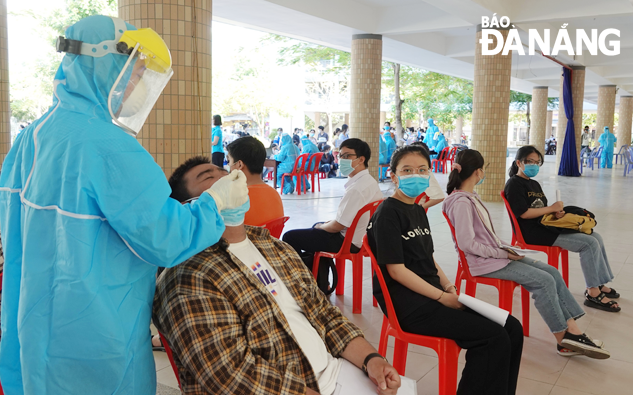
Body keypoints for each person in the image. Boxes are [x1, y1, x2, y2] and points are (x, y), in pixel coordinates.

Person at [0, 16, 248, 395]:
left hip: (33, 334)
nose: (135, 85)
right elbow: (165, 238)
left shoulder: (30, 137)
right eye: (134, 71)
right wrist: (216, 204)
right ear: (105, 63)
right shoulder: (109, 146)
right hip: (95, 343)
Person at [153, 183, 401, 395]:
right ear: (189, 206)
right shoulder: (188, 276)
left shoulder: (273, 246)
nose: (230, 182)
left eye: (228, 175)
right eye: (213, 182)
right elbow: (230, 373)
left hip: (339, 373)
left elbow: (324, 313)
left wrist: (372, 360)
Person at [368, 145, 524, 395]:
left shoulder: (418, 210)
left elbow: (429, 260)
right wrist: (442, 297)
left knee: (512, 328)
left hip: (434, 295)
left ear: (430, 174)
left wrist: (450, 288)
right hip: (410, 305)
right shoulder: (387, 213)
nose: (414, 175)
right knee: (492, 337)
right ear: (394, 175)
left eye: (421, 169)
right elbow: (396, 271)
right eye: (406, 170)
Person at [444, 149, 609, 358]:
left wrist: (508, 248)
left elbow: (488, 236)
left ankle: (574, 332)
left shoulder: (470, 197)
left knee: (552, 272)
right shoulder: (461, 202)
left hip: (494, 257)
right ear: (478, 172)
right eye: (483, 169)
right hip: (484, 263)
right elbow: (467, 244)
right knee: (543, 281)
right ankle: (562, 340)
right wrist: (503, 254)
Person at [504, 146, 620, 313]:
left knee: (596, 237)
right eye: (530, 162)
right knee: (588, 244)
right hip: (532, 233)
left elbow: (542, 209)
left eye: (537, 162)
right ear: (519, 163)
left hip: (546, 225)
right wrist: (551, 208)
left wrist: (556, 213)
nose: (534, 165)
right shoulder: (514, 184)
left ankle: (599, 283)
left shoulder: (534, 184)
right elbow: (523, 214)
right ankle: (593, 293)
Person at [283, 138, 383, 280]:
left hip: (347, 241)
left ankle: (304, 282)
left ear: (361, 159)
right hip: (360, 237)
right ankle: (320, 281)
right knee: (315, 231)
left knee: (290, 237)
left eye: (347, 156)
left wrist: (322, 226)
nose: (342, 160)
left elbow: (338, 225)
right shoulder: (369, 181)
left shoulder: (357, 189)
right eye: (340, 156)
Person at [227, 136, 285, 226]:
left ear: (239, 165)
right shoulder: (274, 194)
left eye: (229, 161)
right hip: (270, 240)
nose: (228, 165)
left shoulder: (236, 198)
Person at [410, 142, 444, 210]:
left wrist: (418, 209)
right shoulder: (407, 171)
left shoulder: (424, 173)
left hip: (413, 214)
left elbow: (438, 197)